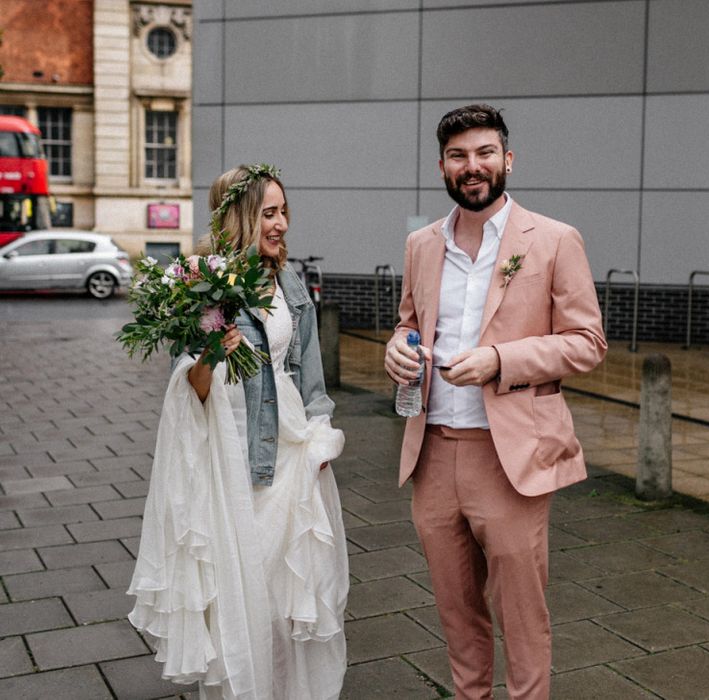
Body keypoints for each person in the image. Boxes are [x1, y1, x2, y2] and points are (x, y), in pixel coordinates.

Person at [385, 105, 607, 699]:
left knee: (522, 616)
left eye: (484, 153)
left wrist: (502, 361)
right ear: (442, 167)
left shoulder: (555, 239)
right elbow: (409, 324)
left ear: (507, 160)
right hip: (431, 454)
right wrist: (397, 349)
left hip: (510, 458)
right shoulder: (420, 245)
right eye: (458, 156)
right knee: (457, 614)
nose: (472, 166)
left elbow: (587, 343)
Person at [128, 165, 348, 700]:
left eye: (283, 211)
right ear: (240, 218)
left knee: (285, 603)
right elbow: (192, 389)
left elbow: (310, 378)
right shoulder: (206, 283)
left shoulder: (291, 285)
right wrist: (208, 351)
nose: (280, 224)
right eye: (268, 213)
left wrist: (320, 442)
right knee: (239, 597)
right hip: (231, 461)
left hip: (293, 459)